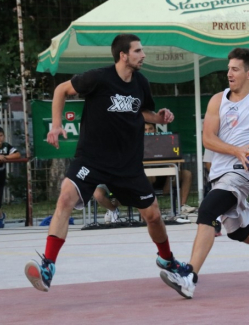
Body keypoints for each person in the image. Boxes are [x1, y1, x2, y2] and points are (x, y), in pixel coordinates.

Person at [24, 34, 186, 292]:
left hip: (127, 165)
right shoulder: (98, 78)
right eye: (138, 51)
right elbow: (61, 90)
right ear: (123, 55)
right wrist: (56, 125)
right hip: (93, 158)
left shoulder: (141, 83)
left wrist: (159, 118)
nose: (143, 55)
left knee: (153, 215)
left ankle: (167, 260)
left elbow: (143, 111)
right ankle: (48, 266)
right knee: (65, 197)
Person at [161, 47, 249, 299]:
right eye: (228, 69)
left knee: (207, 210)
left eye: (234, 69)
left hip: (243, 173)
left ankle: (189, 277)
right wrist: (234, 150)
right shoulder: (217, 100)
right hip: (221, 171)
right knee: (237, 231)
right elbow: (208, 138)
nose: (229, 74)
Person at [144, 122, 195, 214]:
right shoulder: (137, 143)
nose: (148, 132)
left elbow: (176, 160)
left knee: (187, 174)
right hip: (148, 178)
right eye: (145, 130)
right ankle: (148, 208)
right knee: (143, 174)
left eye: (150, 129)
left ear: (155, 130)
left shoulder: (164, 142)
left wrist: (168, 180)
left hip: (166, 176)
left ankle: (182, 206)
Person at [0, 127, 21, 228]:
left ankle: (1, 217)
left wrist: (4, 158)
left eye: (0, 136)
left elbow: (17, 154)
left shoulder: (6, 146)